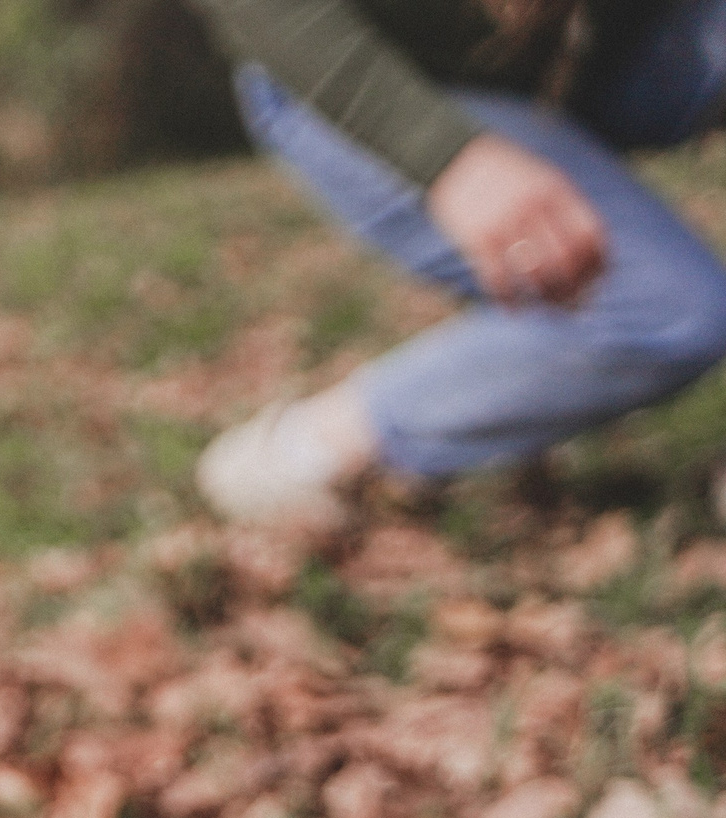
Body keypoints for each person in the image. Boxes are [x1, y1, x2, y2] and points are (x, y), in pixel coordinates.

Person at [189, 0, 726, 527]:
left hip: (582, 55)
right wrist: (450, 158)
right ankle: (314, 445)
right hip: (372, 78)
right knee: (673, 309)